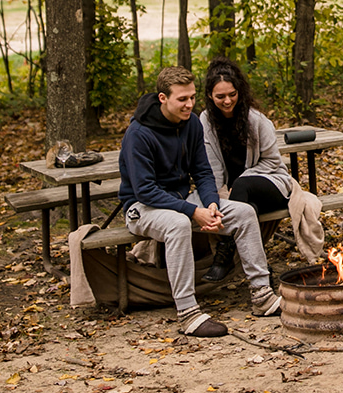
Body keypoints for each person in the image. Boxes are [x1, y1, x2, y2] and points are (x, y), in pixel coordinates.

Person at [118, 65, 282, 337]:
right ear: (163, 98)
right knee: (178, 224)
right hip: (142, 208)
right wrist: (194, 211)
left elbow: (203, 171)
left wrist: (211, 203)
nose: (190, 104)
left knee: (242, 213)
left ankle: (262, 295)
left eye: (192, 97)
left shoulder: (191, 123)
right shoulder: (138, 134)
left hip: (184, 199)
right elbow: (145, 190)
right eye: (182, 99)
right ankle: (188, 313)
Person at [198, 58, 324, 281]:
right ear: (209, 96)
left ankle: (224, 255)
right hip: (236, 195)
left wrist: (239, 182)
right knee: (248, 208)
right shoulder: (206, 121)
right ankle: (260, 272)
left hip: (271, 184)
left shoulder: (256, 121)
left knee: (244, 186)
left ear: (240, 91)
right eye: (220, 96)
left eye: (232, 94)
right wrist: (218, 194)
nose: (227, 101)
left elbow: (273, 163)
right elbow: (211, 166)